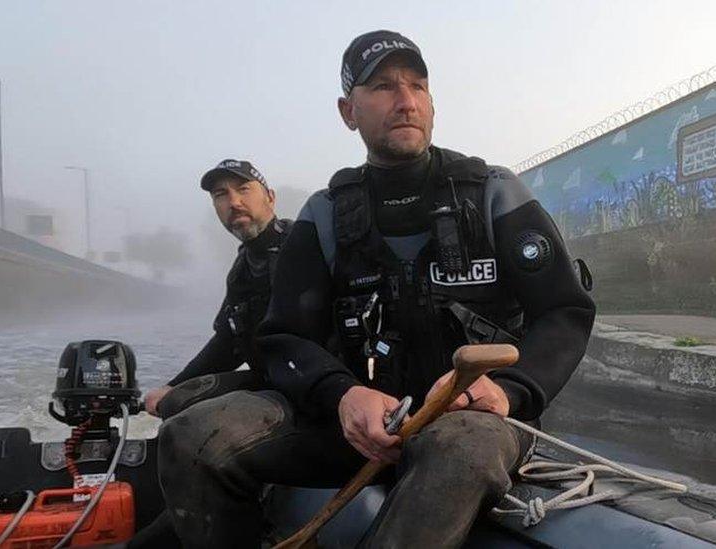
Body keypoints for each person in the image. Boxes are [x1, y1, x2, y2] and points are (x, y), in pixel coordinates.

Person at [157, 30, 595, 548]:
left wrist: (510, 389)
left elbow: (565, 310)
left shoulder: (494, 193)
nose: (406, 101)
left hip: (477, 419)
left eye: (417, 86)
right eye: (384, 87)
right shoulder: (323, 216)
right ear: (349, 111)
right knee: (190, 437)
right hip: (355, 427)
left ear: (432, 103)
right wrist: (344, 395)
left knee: (459, 447)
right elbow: (283, 339)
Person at [143, 159, 292, 419]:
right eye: (221, 195)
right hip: (272, 383)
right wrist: (171, 387)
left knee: (193, 426)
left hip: (320, 389)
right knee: (176, 403)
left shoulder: (304, 244)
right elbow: (229, 342)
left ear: (270, 197)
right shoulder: (241, 270)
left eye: (244, 189)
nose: (233, 202)